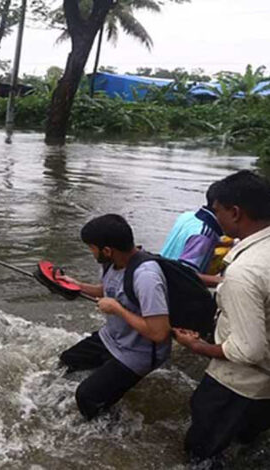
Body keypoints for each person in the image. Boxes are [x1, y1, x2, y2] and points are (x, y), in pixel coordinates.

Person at [173, 170, 270, 463]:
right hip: (263, 391)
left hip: (237, 385)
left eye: (218, 212)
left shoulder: (245, 271)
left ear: (236, 212)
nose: (217, 219)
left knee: (201, 451)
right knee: (245, 445)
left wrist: (197, 346)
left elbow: (249, 349)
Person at [57, 214, 171, 420]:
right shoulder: (113, 263)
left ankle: (109, 428)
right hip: (112, 337)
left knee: (86, 396)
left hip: (140, 352)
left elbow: (160, 333)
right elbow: (108, 289)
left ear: (107, 250)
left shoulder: (146, 277)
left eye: (91, 247)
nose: (90, 252)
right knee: (67, 362)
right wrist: (76, 285)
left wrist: (118, 310)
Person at [160, 181, 226, 286]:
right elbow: (185, 275)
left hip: (160, 275)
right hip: (173, 288)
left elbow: (190, 241)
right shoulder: (204, 236)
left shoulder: (188, 216)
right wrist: (226, 281)